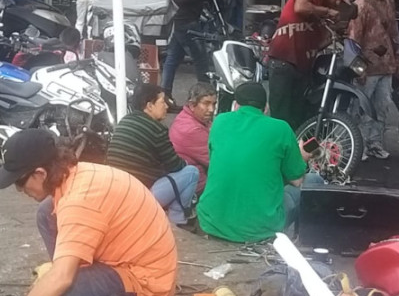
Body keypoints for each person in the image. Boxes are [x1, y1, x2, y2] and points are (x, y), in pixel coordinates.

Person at [0, 128, 178, 296]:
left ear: (39, 173)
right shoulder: (77, 174)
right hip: (130, 258)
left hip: (146, 283)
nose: (19, 190)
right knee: (46, 213)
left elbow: (61, 279)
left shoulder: (79, 202)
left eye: (19, 182)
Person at [197, 81, 318, 243]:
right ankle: (304, 244)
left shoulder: (219, 122)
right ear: (266, 108)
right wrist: (302, 156)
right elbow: (297, 180)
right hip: (260, 229)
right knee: (316, 181)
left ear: (236, 105)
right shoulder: (281, 128)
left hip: (211, 221)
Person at [267, 0, 354, 130]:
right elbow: (300, 7)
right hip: (283, 62)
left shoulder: (320, 17)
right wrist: (327, 11)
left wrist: (334, 35)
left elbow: (315, 45)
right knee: (280, 117)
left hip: (303, 68)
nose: (338, 3)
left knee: (298, 117)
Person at [107, 82, 199, 225]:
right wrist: (185, 163)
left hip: (115, 192)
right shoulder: (157, 129)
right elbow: (175, 165)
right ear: (149, 106)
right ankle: (177, 220)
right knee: (191, 172)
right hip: (138, 197)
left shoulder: (125, 120)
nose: (167, 107)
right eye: (162, 102)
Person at [161, 0, 220, 108]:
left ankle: (165, 96)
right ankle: (205, 101)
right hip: (186, 22)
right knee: (201, 60)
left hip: (186, 20)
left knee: (173, 58)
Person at [349, 0, 399, 160]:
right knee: (362, 108)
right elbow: (354, 39)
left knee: (382, 107)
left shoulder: (389, 2)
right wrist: (358, 69)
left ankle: (375, 144)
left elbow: (394, 32)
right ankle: (358, 146)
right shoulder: (361, 5)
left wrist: (398, 58)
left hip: (386, 66)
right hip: (367, 68)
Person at [169, 82, 217, 193]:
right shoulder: (192, 130)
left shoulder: (186, 117)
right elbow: (216, 161)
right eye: (206, 103)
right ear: (192, 105)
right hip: (198, 187)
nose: (211, 109)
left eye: (214, 104)